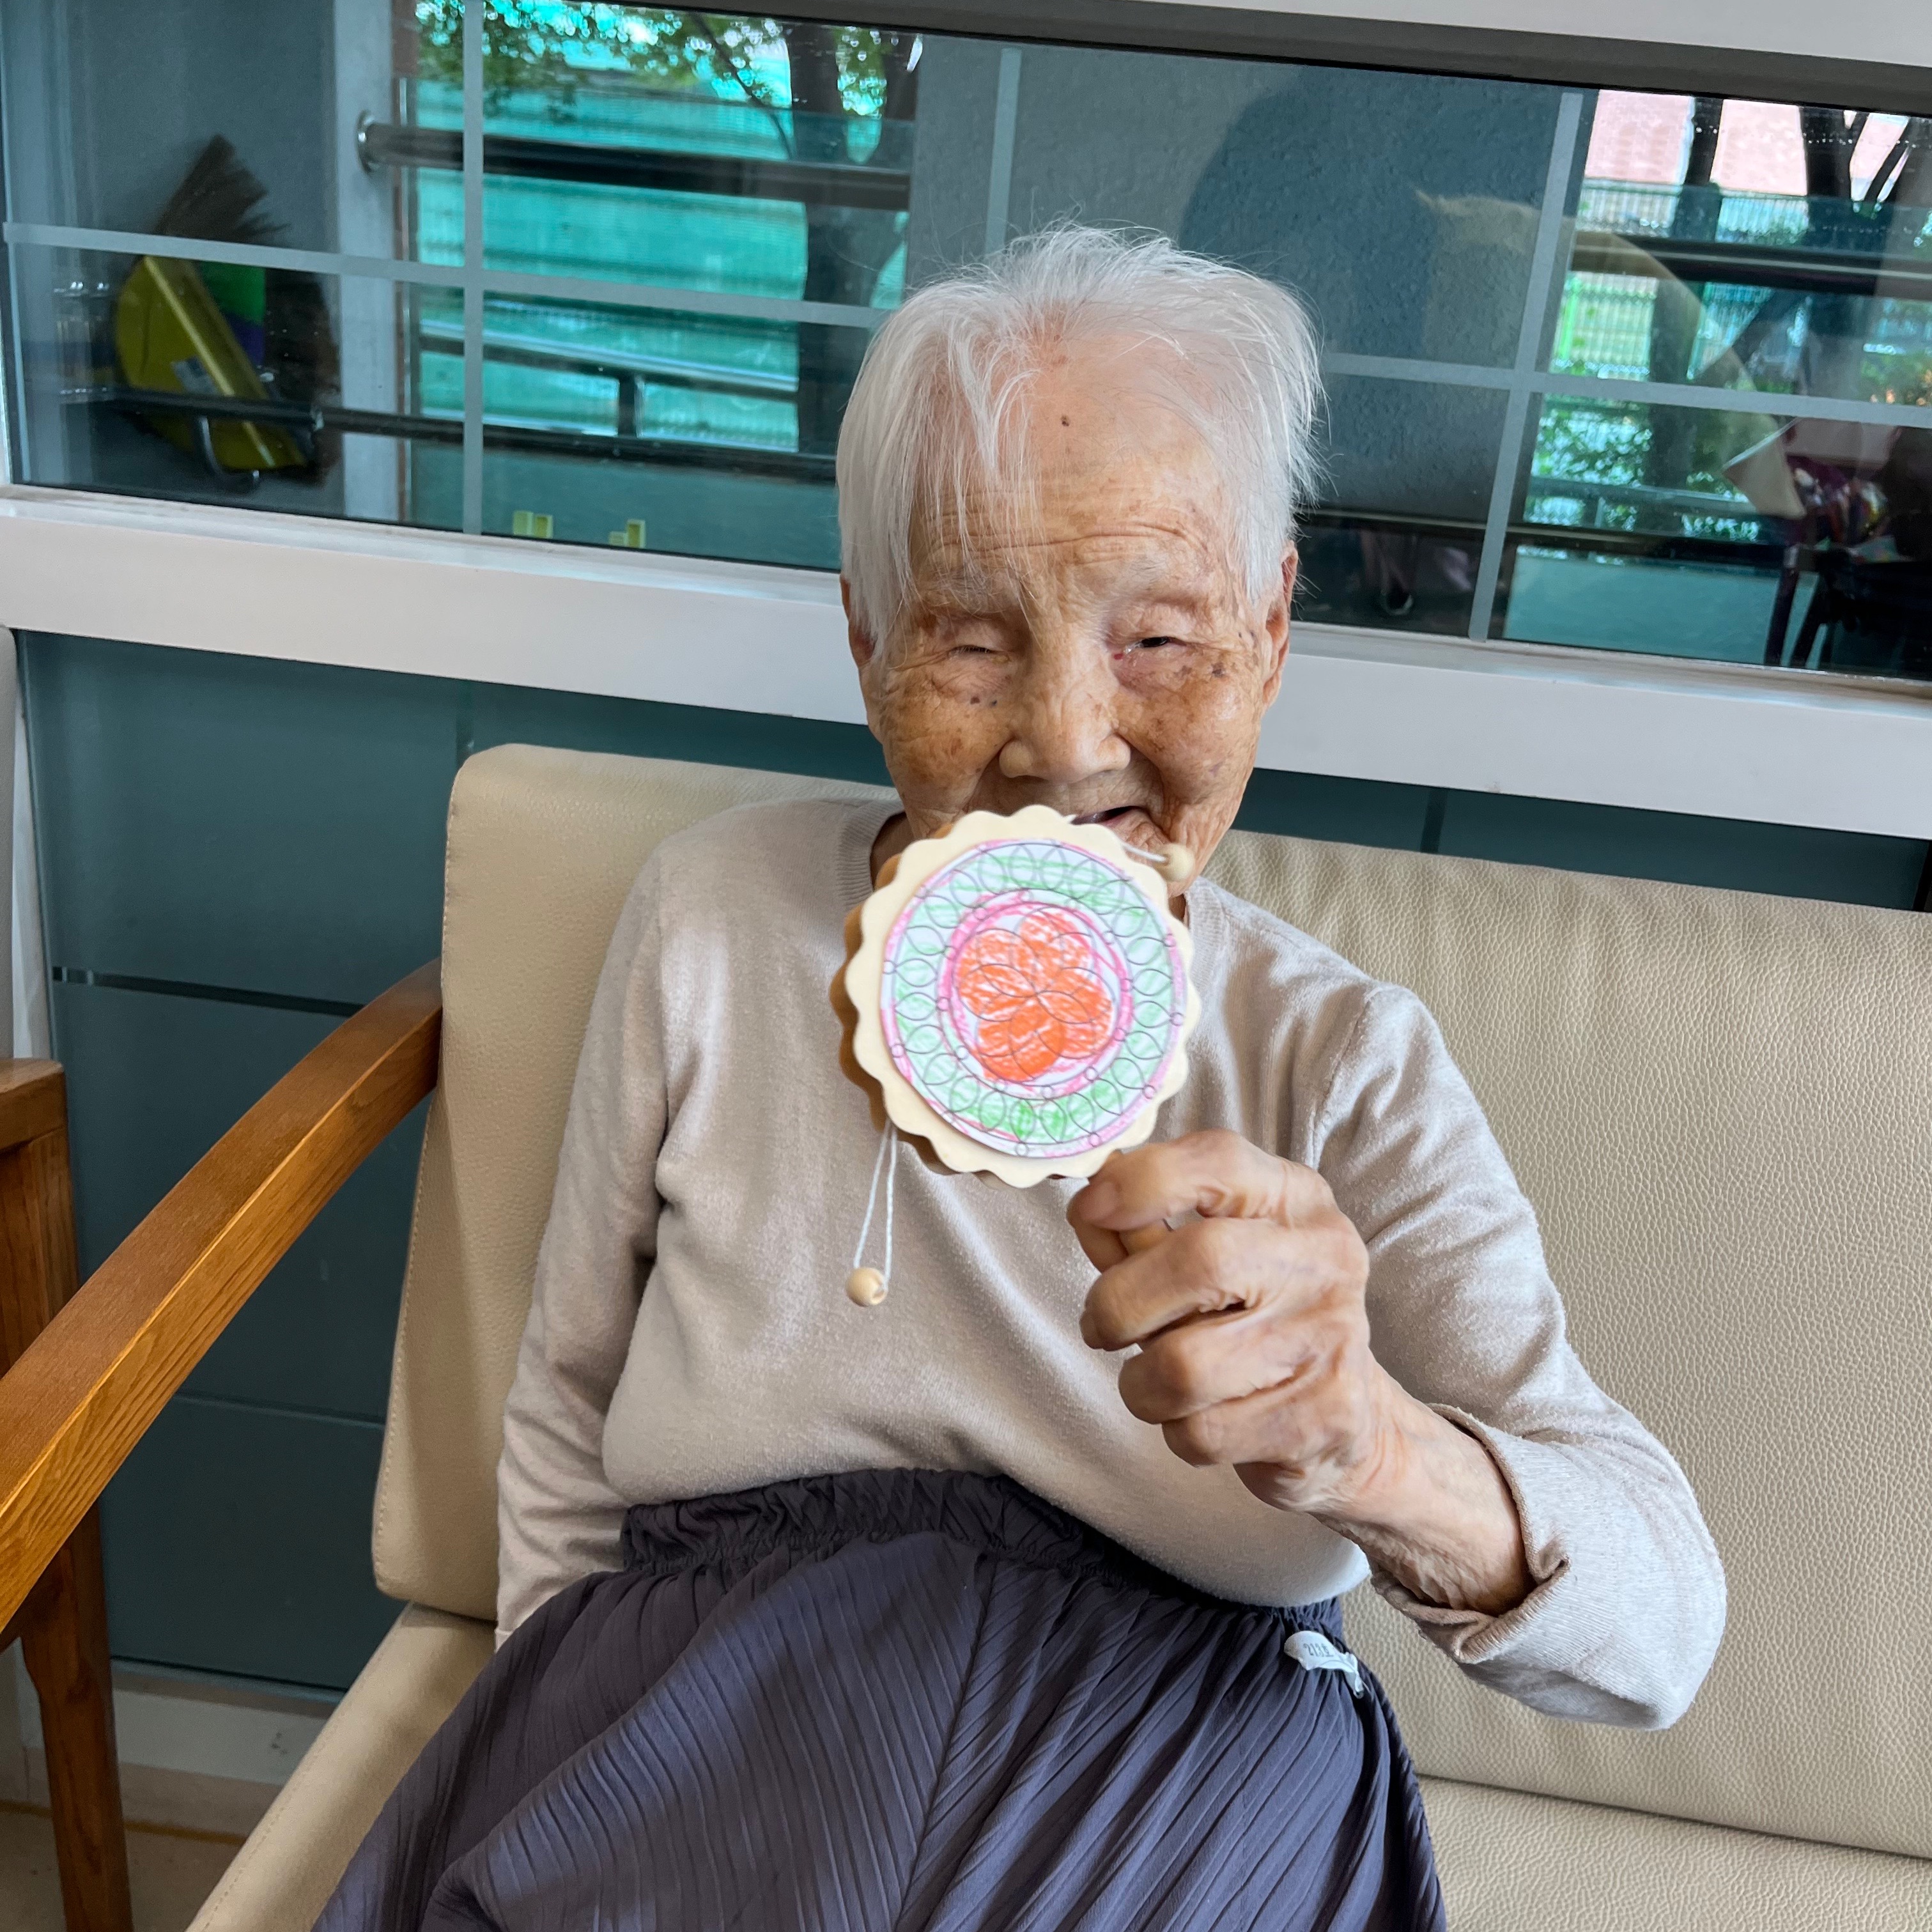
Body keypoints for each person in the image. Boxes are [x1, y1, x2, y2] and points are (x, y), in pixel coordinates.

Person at [318, 227, 1724, 1932]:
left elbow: (1664, 1635)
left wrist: (1374, 1447)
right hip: (717, 1693)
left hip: (1180, 1747)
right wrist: (565, 1737)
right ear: (865, 640)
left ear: (1273, 630)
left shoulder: (1341, 1057)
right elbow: (567, 1395)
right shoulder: (710, 915)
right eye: (972, 640)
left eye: (1162, 639)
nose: (1064, 742)